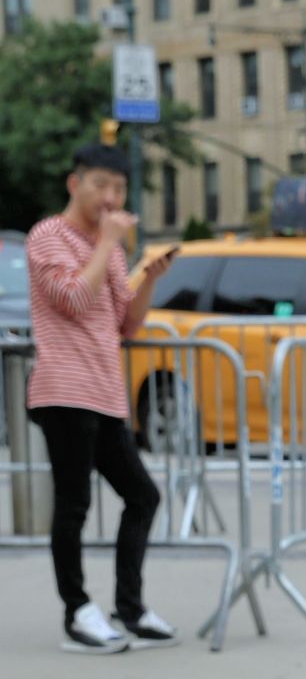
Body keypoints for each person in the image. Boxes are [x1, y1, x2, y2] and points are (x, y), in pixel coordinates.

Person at [25, 143, 177, 653]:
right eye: (101, 186)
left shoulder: (109, 249)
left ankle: (128, 608)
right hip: (64, 390)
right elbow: (72, 299)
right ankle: (78, 611)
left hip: (106, 392)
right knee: (75, 504)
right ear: (76, 184)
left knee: (143, 496)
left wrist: (149, 279)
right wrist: (106, 242)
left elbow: (125, 324)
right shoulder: (48, 236)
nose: (111, 198)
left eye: (119, 188)